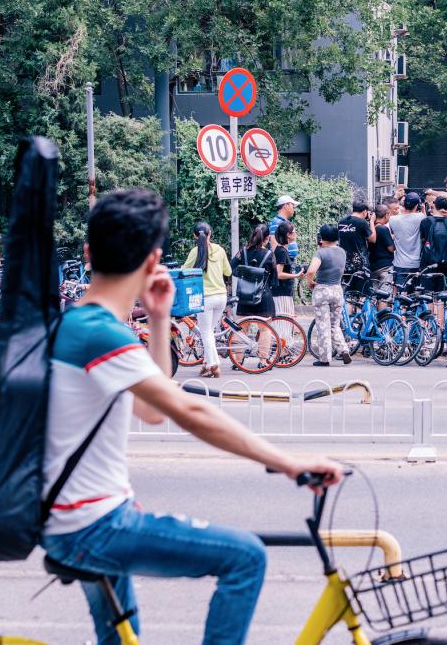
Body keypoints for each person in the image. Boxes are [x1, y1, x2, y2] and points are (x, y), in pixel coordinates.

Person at [41, 188, 342, 645]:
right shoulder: (100, 333)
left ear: (87, 253)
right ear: (153, 258)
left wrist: (160, 319)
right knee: (245, 559)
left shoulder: (80, 324)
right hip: (94, 526)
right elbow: (187, 409)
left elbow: (150, 408)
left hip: (79, 519)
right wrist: (289, 463)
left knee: (122, 639)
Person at [183, 222, 232, 378]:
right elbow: (228, 272)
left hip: (205, 298)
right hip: (221, 297)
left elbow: (184, 271)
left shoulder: (195, 252)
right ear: (210, 233)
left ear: (194, 236)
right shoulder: (219, 250)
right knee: (209, 331)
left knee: (206, 332)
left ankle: (213, 364)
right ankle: (207, 363)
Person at [306, 224, 352, 366]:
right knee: (334, 325)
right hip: (337, 290)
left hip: (322, 290)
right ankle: (343, 349)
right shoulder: (342, 252)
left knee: (322, 326)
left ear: (322, 237)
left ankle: (324, 359)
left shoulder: (321, 252)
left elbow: (311, 270)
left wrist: (310, 282)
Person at [232, 225, 278, 319]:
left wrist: (243, 274)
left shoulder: (243, 251)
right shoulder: (269, 255)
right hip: (263, 296)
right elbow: (274, 280)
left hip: (245, 296)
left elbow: (231, 268)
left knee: (241, 329)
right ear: (268, 237)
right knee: (265, 330)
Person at [388, 192, 425, 289]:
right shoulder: (421, 217)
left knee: (400, 295)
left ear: (403, 204)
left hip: (400, 263)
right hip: (416, 264)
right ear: (417, 205)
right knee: (415, 296)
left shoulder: (393, 219)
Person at [272, 221, 304, 330]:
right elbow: (279, 274)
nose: (296, 234)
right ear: (288, 235)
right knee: (284, 324)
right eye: (294, 232)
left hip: (282, 292)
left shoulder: (281, 250)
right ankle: (283, 346)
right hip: (282, 293)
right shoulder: (282, 252)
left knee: (284, 323)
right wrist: (296, 276)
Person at [337, 201, 376, 274]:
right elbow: (372, 239)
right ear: (365, 211)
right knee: (362, 285)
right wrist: (372, 222)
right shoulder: (362, 222)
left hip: (344, 262)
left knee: (348, 284)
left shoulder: (341, 221)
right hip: (360, 263)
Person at [369, 204, 395, 294]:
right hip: (385, 267)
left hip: (373, 266)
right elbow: (391, 248)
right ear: (386, 215)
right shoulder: (383, 229)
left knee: (374, 295)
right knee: (384, 295)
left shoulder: (370, 229)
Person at [268, 195, 300, 261]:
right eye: (292, 206)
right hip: (283, 261)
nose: (294, 209)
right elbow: (274, 243)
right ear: (285, 206)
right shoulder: (276, 222)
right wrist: (280, 261)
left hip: (287, 260)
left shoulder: (284, 222)